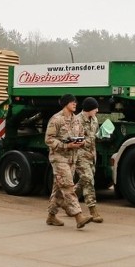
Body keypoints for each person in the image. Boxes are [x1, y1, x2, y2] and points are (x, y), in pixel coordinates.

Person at [44, 93, 93, 228]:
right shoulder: (56, 119)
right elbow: (48, 139)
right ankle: (78, 216)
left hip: (72, 158)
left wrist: (81, 143)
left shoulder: (76, 120)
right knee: (67, 186)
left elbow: (82, 135)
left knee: (59, 190)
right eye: (72, 102)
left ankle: (51, 216)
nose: (75, 104)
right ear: (66, 104)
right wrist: (66, 145)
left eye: (75, 102)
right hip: (59, 158)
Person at [74, 96, 103, 223]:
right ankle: (93, 210)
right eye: (95, 108)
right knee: (88, 179)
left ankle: (67, 201)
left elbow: (94, 135)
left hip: (91, 156)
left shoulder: (95, 120)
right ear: (89, 109)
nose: (97, 110)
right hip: (80, 155)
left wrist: (102, 136)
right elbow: (73, 139)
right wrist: (84, 141)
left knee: (83, 181)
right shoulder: (77, 121)